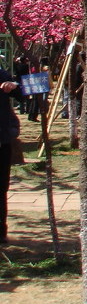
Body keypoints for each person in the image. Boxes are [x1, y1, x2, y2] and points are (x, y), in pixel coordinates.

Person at [1, 67, 22, 243]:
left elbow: (22, 91)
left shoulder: (0, 73)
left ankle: (1, 231)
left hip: (2, 140)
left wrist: (14, 85)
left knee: (1, 189)